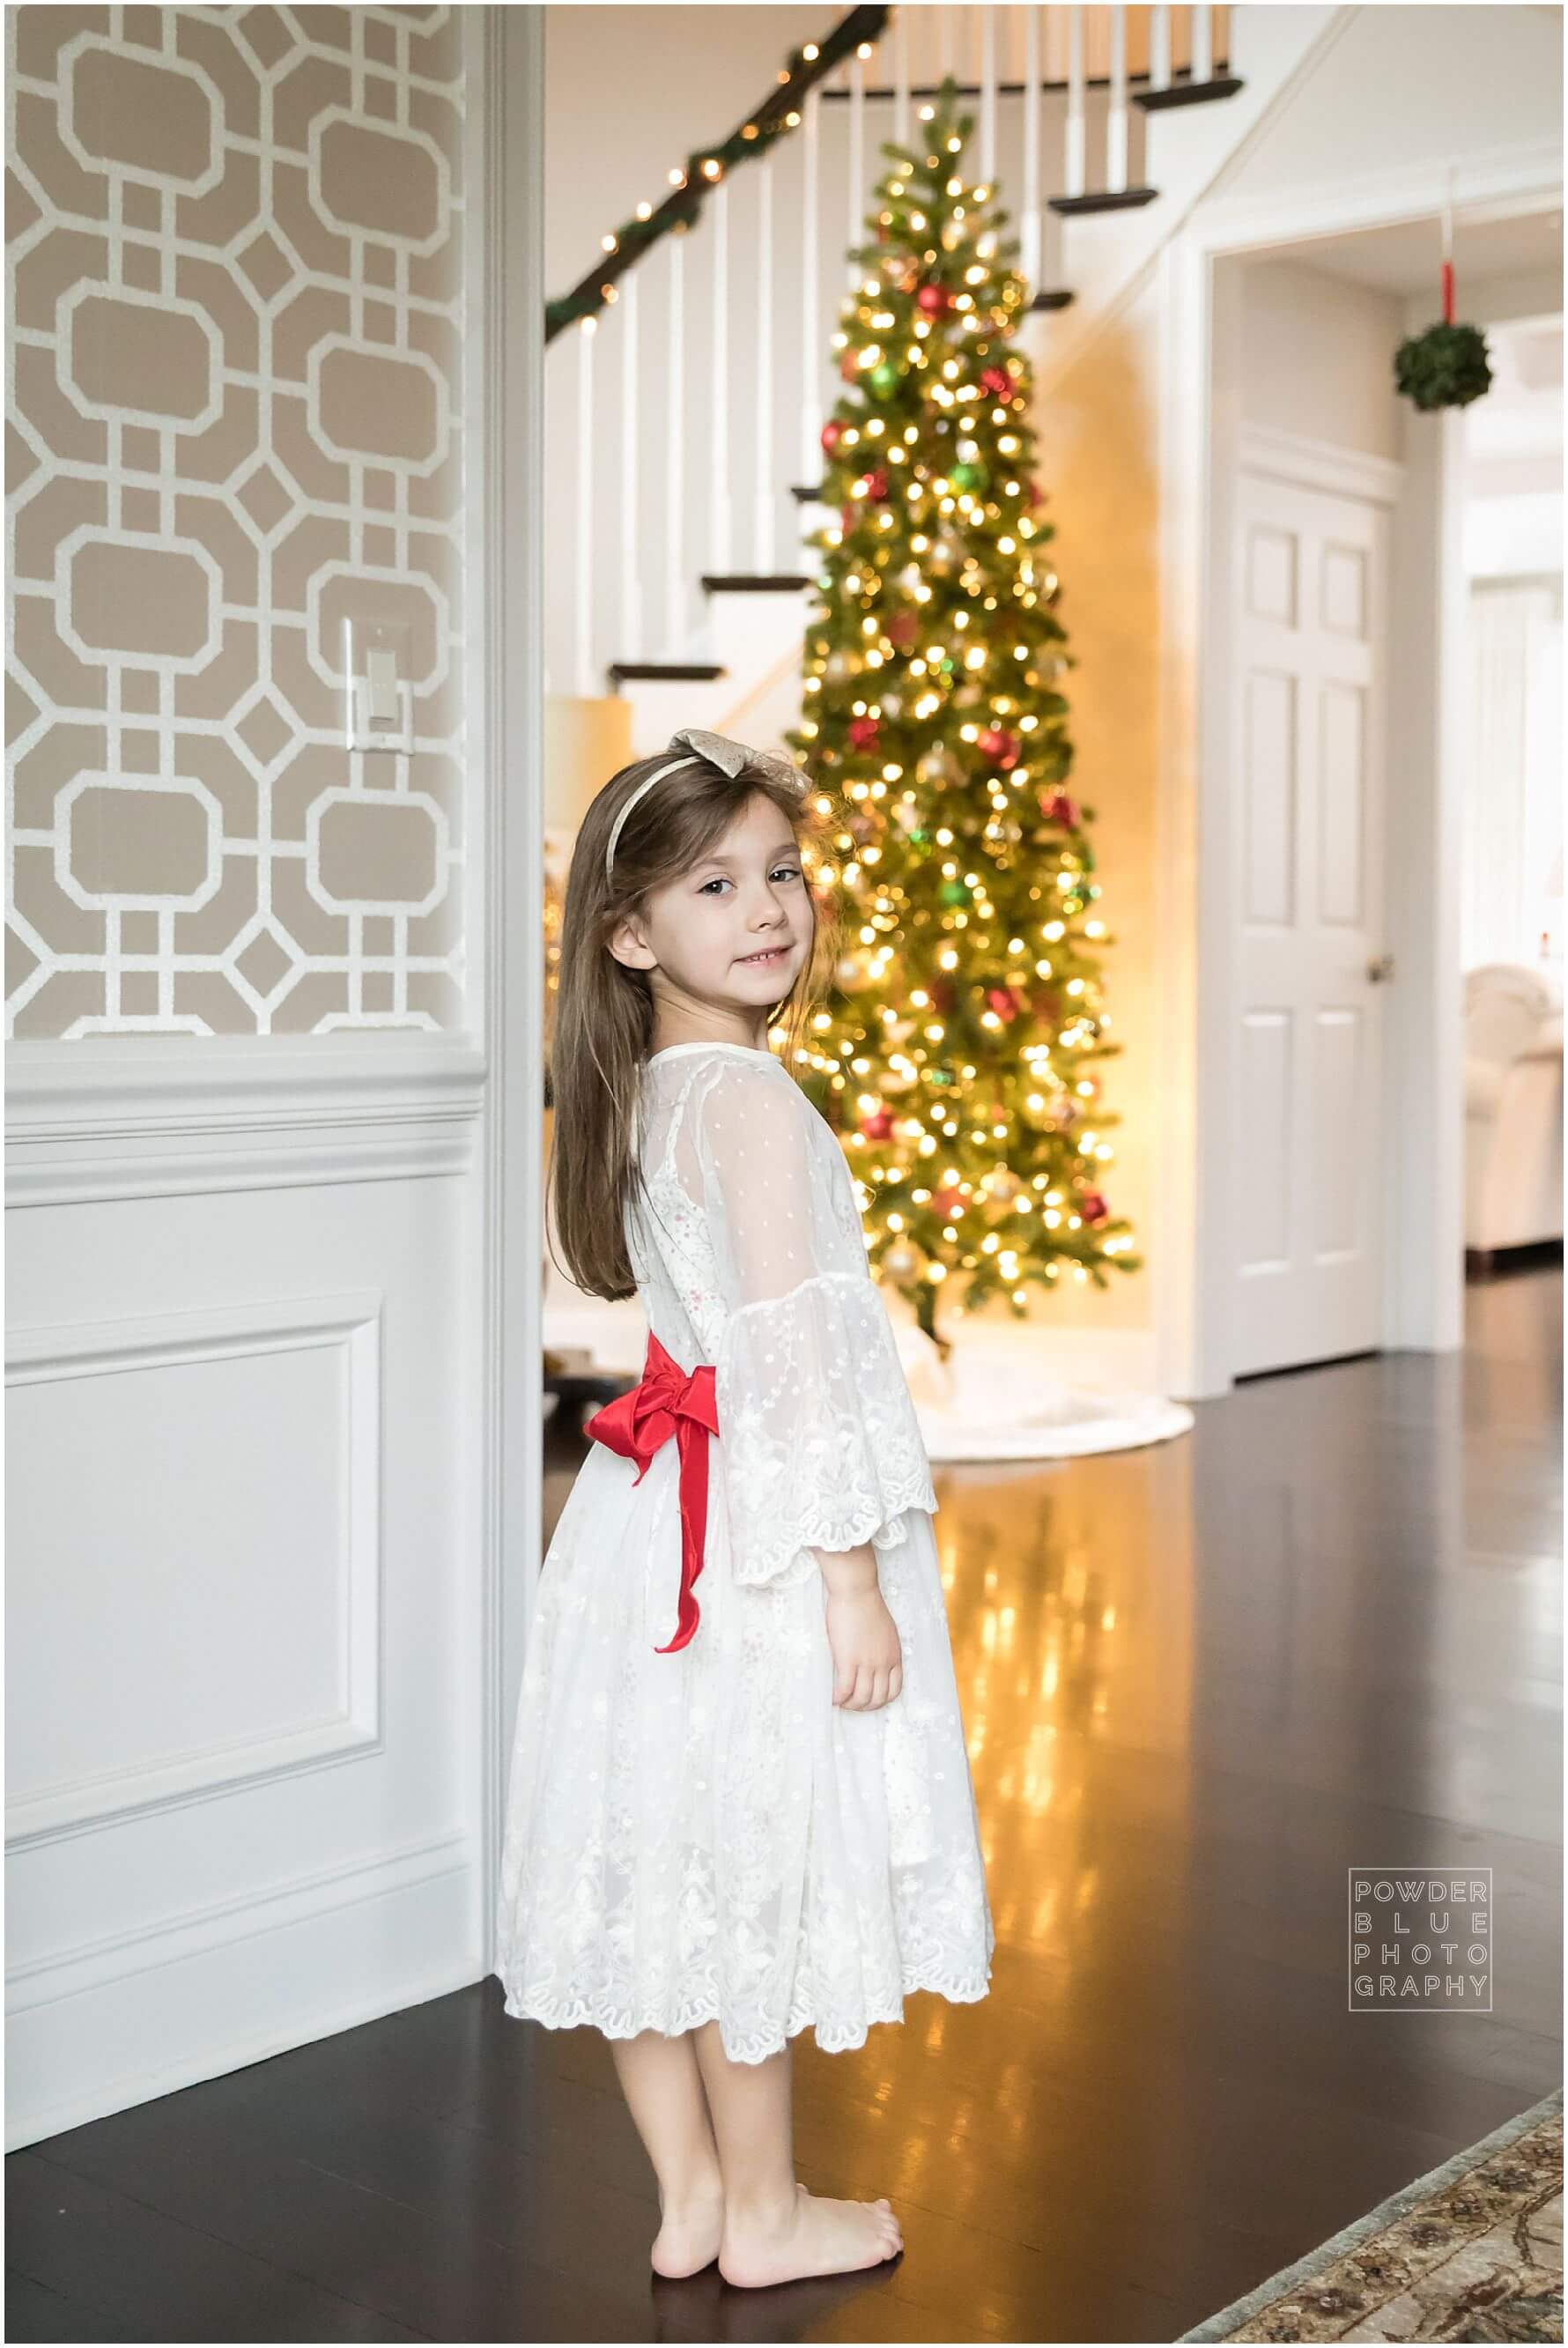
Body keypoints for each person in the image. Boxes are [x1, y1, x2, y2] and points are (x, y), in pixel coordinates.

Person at [494, 727, 994, 2289]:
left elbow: (700, 1334)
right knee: (750, 1870)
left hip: (646, 1529)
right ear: (634, 933)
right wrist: (852, 1579)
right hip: (760, 1542)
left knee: (653, 1860)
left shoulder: (644, 1088)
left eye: (781, 871)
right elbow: (793, 1367)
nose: (768, 906)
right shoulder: (755, 1105)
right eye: (716, 883)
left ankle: (692, 2195)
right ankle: (766, 2215)